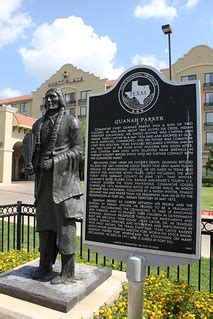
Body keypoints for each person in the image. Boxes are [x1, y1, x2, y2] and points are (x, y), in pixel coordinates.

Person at [23, 88, 83, 284]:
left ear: (61, 99)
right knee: (45, 226)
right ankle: (44, 266)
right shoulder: (38, 125)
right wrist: (31, 165)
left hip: (64, 184)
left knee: (65, 228)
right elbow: (33, 149)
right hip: (44, 184)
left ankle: (67, 272)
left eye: (53, 97)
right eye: (47, 97)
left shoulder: (71, 122)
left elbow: (77, 150)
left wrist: (56, 161)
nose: (50, 100)